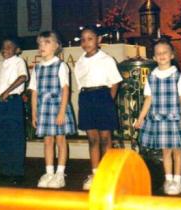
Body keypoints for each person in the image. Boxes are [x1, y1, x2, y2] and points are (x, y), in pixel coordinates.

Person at [135, 39, 181, 195]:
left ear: (172, 55)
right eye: (158, 53)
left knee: (177, 151)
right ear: (154, 57)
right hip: (159, 120)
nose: (161, 55)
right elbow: (148, 99)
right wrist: (141, 118)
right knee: (165, 151)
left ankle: (177, 180)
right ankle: (168, 179)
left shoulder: (177, 76)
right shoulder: (151, 77)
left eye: (165, 52)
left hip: (175, 120)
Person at [74, 26, 122, 190]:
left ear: (99, 40)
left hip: (103, 97)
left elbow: (115, 82)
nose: (86, 42)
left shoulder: (107, 59)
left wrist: (109, 101)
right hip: (87, 98)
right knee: (92, 139)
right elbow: (80, 83)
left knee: (105, 138)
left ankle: (107, 175)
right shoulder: (80, 61)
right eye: (83, 39)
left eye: (90, 38)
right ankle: (95, 173)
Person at [29, 31, 76, 188]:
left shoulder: (60, 65)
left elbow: (65, 89)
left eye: (47, 42)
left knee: (60, 140)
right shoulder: (37, 68)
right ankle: (49, 172)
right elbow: (34, 92)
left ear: (56, 46)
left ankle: (60, 174)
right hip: (43, 108)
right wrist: (34, 113)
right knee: (47, 141)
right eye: (40, 43)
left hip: (57, 106)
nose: (42, 46)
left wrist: (62, 111)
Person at [0, 38, 28, 184]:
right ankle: (4, 171)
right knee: (2, 137)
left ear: (17, 50)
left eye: (9, 47)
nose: (5, 49)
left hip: (13, 102)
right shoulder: (0, 65)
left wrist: (7, 91)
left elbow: (22, 78)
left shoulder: (18, 61)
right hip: (1, 104)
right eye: (3, 47)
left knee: (16, 137)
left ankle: (17, 172)